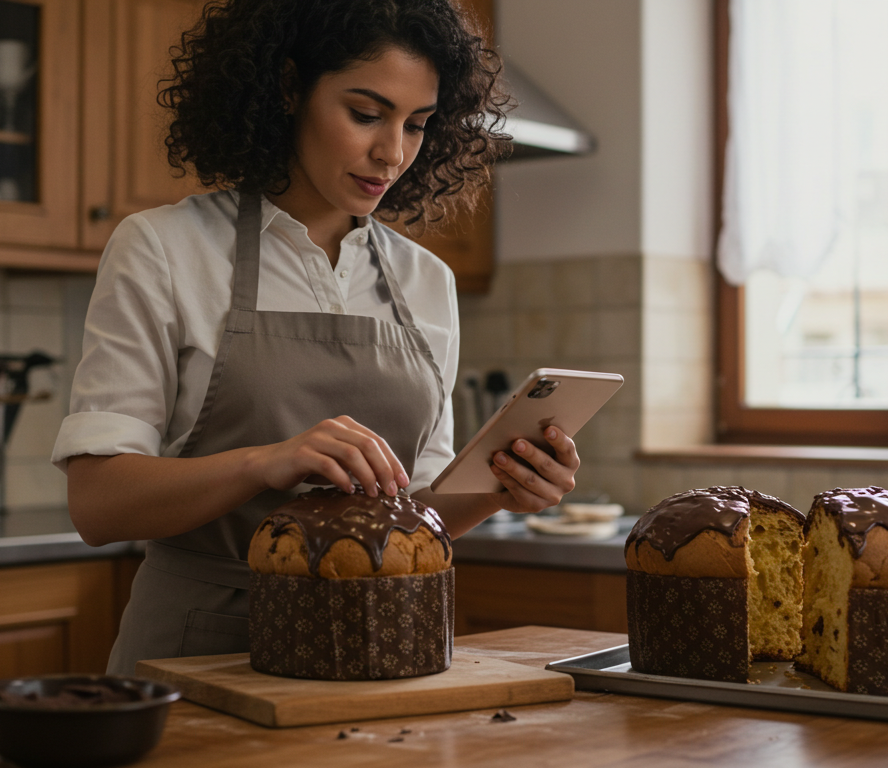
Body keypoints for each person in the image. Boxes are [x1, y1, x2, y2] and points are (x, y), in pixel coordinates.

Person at [50, 0, 583, 675]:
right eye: (366, 114)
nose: (392, 152)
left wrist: (506, 485)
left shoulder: (426, 280)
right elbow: (97, 503)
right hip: (198, 655)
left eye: (417, 124)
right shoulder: (163, 249)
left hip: (376, 649)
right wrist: (265, 461)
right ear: (287, 88)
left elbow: (417, 510)